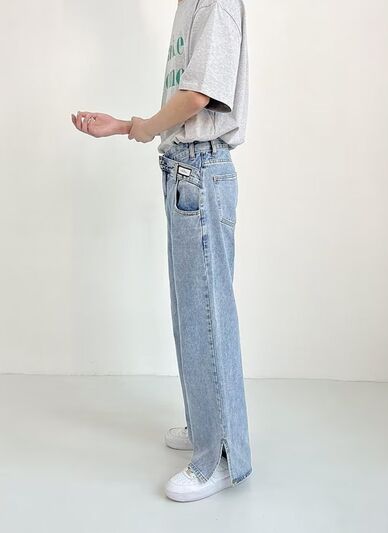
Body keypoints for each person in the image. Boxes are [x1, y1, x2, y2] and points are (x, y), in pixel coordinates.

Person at [71, 0, 252, 502]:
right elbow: (184, 103)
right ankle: (206, 424)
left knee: (207, 316)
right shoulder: (190, 5)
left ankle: (221, 454)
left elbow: (196, 96)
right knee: (191, 316)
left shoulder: (216, 4)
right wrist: (126, 125)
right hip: (184, 169)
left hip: (201, 169)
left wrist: (146, 127)